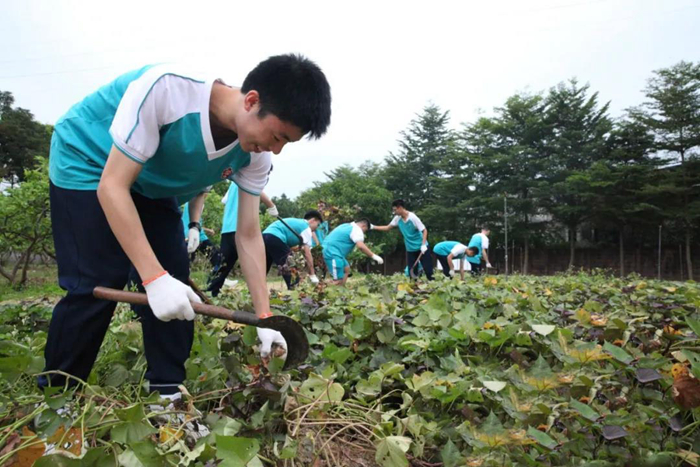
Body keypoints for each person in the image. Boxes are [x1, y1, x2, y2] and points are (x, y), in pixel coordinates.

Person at [41, 54, 332, 397]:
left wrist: (264, 314)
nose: (276, 150)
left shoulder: (256, 153)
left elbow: (249, 234)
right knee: (97, 278)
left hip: (151, 183)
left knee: (176, 281)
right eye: (278, 136)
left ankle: (167, 392)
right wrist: (151, 278)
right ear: (252, 101)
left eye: (286, 143)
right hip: (89, 161)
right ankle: (58, 397)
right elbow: (113, 186)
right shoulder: (167, 91)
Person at [207, 182, 277, 297]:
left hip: (227, 228)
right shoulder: (250, 176)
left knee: (222, 266)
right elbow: (258, 190)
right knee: (255, 263)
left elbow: (224, 201)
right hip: (242, 228)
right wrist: (271, 206)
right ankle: (258, 295)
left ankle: (210, 293)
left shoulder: (234, 182)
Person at [371, 199, 434, 280]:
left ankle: (433, 286)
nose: (394, 212)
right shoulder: (397, 218)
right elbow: (387, 227)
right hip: (410, 249)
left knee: (428, 271)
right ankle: (415, 289)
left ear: (400, 208)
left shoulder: (413, 217)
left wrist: (423, 245)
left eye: (395, 210)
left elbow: (424, 230)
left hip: (422, 247)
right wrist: (373, 227)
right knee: (412, 273)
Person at [262, 211, 323, 289]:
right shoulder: (306, 228)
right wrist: (312, 274)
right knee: (289, 265)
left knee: (264, 266)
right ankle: (295, 288)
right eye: (318, 225)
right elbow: (308, 254)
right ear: (313, 220)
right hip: (275, 237)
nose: (316, 229)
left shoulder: (298, 223)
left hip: (264, 236)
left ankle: (254, 289)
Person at [323, 219, 383, 285]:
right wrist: (374, 256)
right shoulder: (357, 230)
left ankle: (341, 290)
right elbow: (361, 246)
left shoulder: (346, 225)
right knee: (338, 280)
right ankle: (322, 291)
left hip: (333, 251)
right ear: (363, 226)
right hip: (332, 253)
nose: (364, 232)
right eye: (365, 230)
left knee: (346, 269)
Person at [181, 192, 221, 268]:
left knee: (188, 259)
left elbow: (196, 224)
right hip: (195, 235)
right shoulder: (197, 204)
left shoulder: (190, 203)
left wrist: (208, 230)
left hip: (190, 234)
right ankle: (218, 276)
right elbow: (193, 223)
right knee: (215, 256)